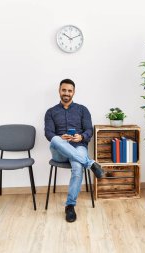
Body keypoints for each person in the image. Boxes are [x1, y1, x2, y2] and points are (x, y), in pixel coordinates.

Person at [44, 78, 104, 222]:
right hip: (59, 150)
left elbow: (89, 130)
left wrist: (81, 136)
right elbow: (48, 134)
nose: (66, 93)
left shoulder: (82, 110)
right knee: (56, 139)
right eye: (64, 90)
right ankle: (90, 164)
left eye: (69, 91)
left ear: (74, 92)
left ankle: (70, 206)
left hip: (78, 146)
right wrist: (61, 138)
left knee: (77, 166)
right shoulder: (51, 112)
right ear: (59, 91)